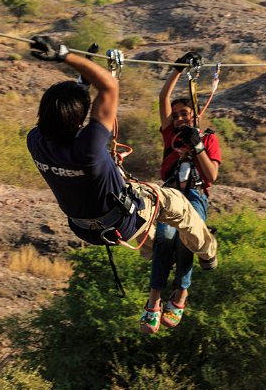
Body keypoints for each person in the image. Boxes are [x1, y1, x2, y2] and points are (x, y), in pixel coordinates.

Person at [25, 36, 218, 321]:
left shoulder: (36, 141)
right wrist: (65, 56)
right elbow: (109, 87)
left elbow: (64, 114)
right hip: (121, 220)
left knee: (162, 239)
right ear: (80, 120)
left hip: (87, 228)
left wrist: (81, 79)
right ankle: (208, 253)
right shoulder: (88, 146)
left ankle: (164, 264)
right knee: (177, 204)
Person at [142, 52, 222, 333]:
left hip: (197, 194)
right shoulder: (170, 135)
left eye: (183, 114)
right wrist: (177, 70)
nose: (177, 118)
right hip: (172, 193)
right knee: (164, 237)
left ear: (195, 115)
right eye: (175, 116)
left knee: (186, 241)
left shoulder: (208, 138)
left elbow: (211, 175)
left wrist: (198, 147)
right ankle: (154, 302)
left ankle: (180, 295)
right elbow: (163, 98)